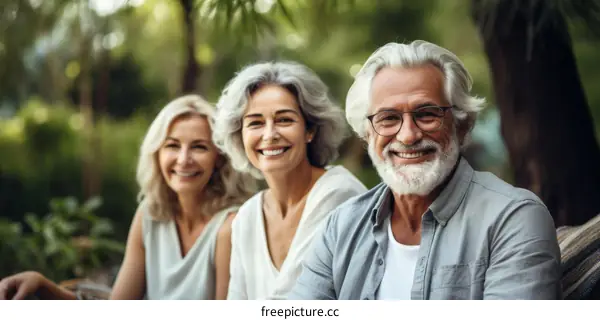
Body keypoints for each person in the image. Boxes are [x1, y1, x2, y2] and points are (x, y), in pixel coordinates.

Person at [287, 40, 562, 300]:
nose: (407, 135)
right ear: (367, 134)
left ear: (461, 125)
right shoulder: (341, 226)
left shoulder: (513, 218)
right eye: (388, 118)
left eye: (427, 114)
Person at [0, 94, 258, 300]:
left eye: (199, 147)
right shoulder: (150, 213)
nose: (183, 159)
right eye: (172, 145)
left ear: (219, 159)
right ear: (156, 154)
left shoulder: (230, 227)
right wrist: (42, 285)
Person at [212, 61, 367, 300]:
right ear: (239, 135)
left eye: (284, 120)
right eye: (255, 123)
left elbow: (299, 301)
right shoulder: (246, 217)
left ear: (310, 130)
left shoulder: (339, 194)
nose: (269, 134)